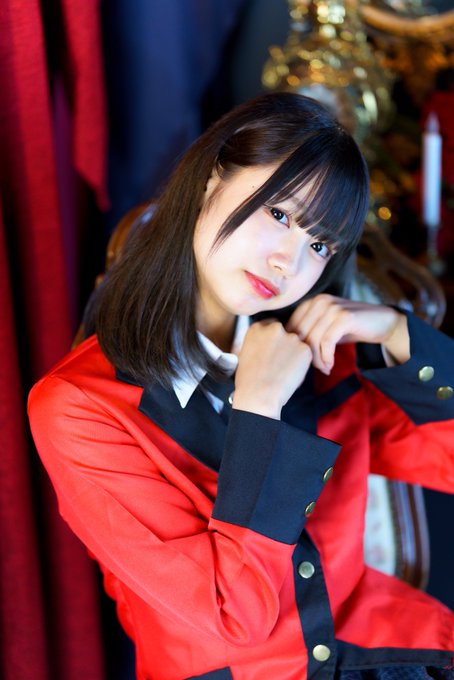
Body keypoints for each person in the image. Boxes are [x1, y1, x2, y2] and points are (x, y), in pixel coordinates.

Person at [28, 93, 454, 680]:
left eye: (319, 245)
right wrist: (259, 410)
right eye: (279, 214)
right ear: (211, 177)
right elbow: (232, 613)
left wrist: (398, 333)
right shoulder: (80, 409)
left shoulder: (322, 356)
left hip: (393, 656)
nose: (288, 263)